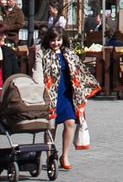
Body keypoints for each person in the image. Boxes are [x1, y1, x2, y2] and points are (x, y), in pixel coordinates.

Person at [33, 27, 97, 173]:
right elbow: (37, 73)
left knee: (70, 123)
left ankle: (65, 156)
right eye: (53, 40)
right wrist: (40, 89)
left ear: (63, 40)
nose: (56, 43)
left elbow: (79, 70)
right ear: (48, 40)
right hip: (50, 93)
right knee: (51, 126)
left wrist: (83, 89)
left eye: (59, 40)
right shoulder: (41, 53)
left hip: (67, 93)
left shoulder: (68, 52)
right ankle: (50, 156)